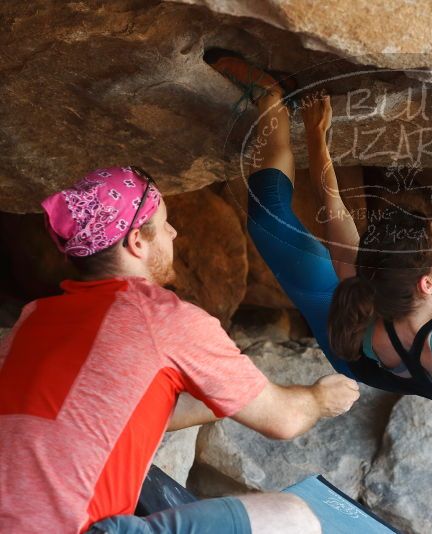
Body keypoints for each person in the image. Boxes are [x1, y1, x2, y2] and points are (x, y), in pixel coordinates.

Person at [0, 166, 360, 533]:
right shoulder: (160, 318)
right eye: (165, 223)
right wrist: (319, 398)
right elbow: (283, 420)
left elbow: (115, 411)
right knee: (292, 517)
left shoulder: (33, 319)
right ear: (137, 241)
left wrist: (230, 393)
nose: (174, 232)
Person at [210, 54, 432, 405]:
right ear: (427, 282)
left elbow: (333, 209)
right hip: (420, 337)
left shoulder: (367, 281)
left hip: (371, 345)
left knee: (266, 221)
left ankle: (272, 104)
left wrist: (318, 138)